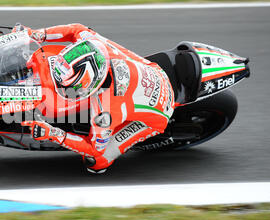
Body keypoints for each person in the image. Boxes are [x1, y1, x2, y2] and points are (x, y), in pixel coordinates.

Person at [18, 23, 175, 174]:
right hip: (154, 70)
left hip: (161, 110)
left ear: (90, 85)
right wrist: (37, 34)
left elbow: (93, 149)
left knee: (96, 161)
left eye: (70, 87)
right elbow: (76, 29)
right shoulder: (93, 44)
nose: (63, 88)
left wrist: (53, 133)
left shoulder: (104, 113)